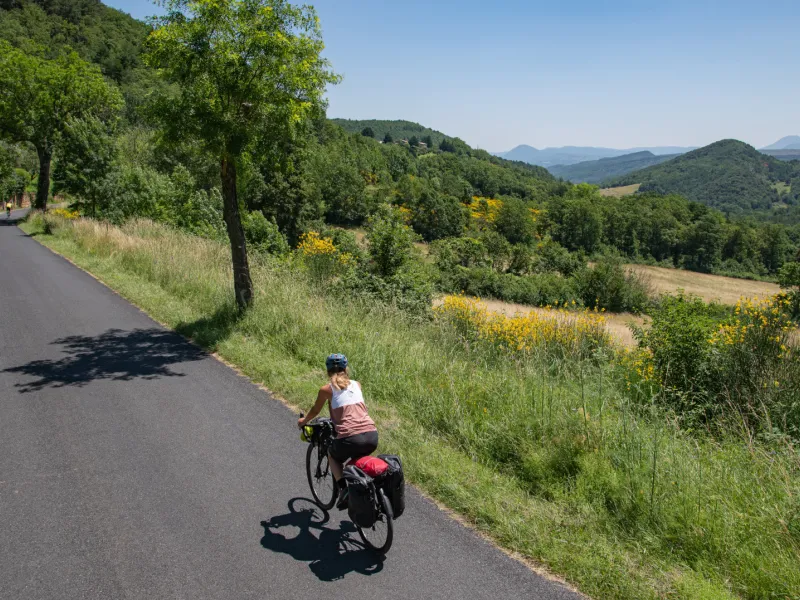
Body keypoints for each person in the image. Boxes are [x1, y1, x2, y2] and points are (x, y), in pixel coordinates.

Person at [298, 354, 378, 509]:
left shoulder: (327, 390)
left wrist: (303, 421)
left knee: (333, 455)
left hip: (349, 438)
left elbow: (315, 410)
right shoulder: (357, 384)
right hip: (372, 435)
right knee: (358, 457)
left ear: (327, 371)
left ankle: (343, 489)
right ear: (346, 369)